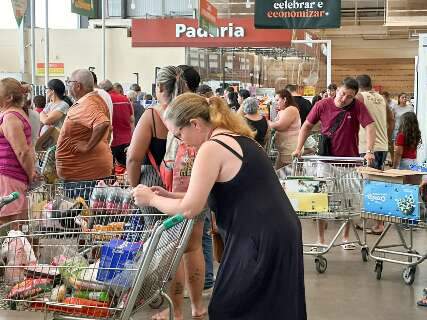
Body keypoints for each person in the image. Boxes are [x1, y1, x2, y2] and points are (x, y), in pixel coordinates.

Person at [133, 93, 307, 320]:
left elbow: (190, 209)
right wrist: (170, 195)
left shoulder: (212, 148)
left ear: (194, 124)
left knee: (231, 307)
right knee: (269, 308)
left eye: (178, 134)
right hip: (275, 231)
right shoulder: (235, 139)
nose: (180, 141)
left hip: (259, 237)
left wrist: (151, 199)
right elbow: (208, 195)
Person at [293, 77, 376, 249]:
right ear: (337, 89)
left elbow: (369, 126)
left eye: (349, 96)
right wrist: (298, 148)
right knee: (321, 199)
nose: (344, 98)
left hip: (349, 162)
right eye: (343, 93)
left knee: (349, 201)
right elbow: (306, 126)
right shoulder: (322, 105)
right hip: (325, 160)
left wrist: (369, 151)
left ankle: (346, 238)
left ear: (354, 97)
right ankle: (320, 239)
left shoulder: (357, 107)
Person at [56, 69, 112, 181]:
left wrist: (87, 146)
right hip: (89, 172)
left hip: (83, 176)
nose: (67, 86)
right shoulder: (94, 100)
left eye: (69, 82)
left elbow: (102, 123)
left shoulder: (86, 104)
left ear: (78, 86)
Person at [356, 75, 390, 235]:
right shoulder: (381, 98)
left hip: (368, 147)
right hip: (382, 145)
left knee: (371, 186)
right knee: (377, 183)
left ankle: (379, 224)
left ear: (357, 86)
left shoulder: (360, 97)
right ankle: (370, 220)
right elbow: (391, 118)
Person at [0, 78, 35, 223]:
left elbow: (22, 152)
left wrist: (30, 175)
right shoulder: (11, 114)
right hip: (11, 177)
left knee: (12, 226)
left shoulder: (10, 117)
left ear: (8, 97)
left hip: (10, 178)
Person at [99, 80, 134, 167]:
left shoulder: (105, 100)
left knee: (110, 170)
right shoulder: (125, 99)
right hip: (127, 140)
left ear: (103, 90)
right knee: (126, 169)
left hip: (112, 141)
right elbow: (132, 119)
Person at [268, 89, 301, 169]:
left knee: (284, 174)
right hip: (285, 149)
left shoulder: (291, 109)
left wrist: (267, 122)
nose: (276, 103)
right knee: (279, 172)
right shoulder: (284, 110)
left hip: (290, 149)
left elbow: (280, 126)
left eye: (277, 100)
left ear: (285, 99)